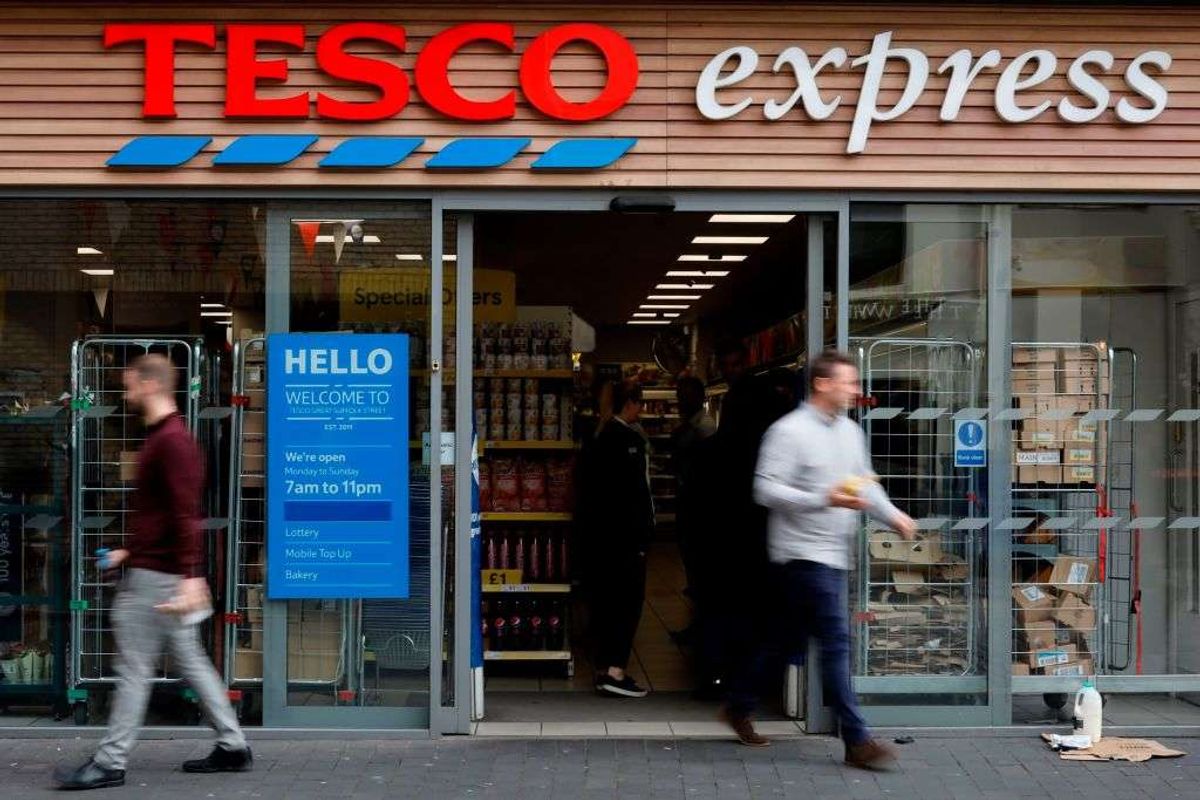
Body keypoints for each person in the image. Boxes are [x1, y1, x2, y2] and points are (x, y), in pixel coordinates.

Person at [55, 355, 251, 791]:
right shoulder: (167, 438)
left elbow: (186, 513)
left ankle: (110, 762)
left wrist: (191, 575)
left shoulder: (172, 442)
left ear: (149, 383)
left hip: (157, 580)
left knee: (133, 668)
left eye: (129, 383)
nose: (125, 392)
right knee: (191, 661)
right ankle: (233, 744)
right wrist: (129, 550)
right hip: (158, 569)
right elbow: (164, 515)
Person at [729, 350, 916, 767]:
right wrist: (821, 498)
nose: (856, 389)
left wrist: (894, 516)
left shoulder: (850, 432)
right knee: (835, 642)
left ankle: (739, 703)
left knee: (785, 641)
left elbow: (864, 487)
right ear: (821, 384)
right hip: (801, 554)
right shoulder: (788, 432)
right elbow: (765, 489)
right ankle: (856, 740)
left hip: (834, 555)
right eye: (848, 382)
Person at [583, 380, 655, 698]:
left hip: (600, 538)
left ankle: (603, 668)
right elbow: (637, 495)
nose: (642, 410)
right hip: (625, 538)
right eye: (639, 403)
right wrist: (643, 537)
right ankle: (615, 670)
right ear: (629, 404)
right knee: (628, 603)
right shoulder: (627, 440)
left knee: (605, 602)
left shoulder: (596, 436)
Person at [669, 375, 716, 645]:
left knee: (698, 568)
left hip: (699, 507)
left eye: (685, 396)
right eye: (679, 395)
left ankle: (700, 628)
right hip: (688, 502)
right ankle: (697, 626)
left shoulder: (704, 427)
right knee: (692, 566)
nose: (680, 401)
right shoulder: (691, 425)